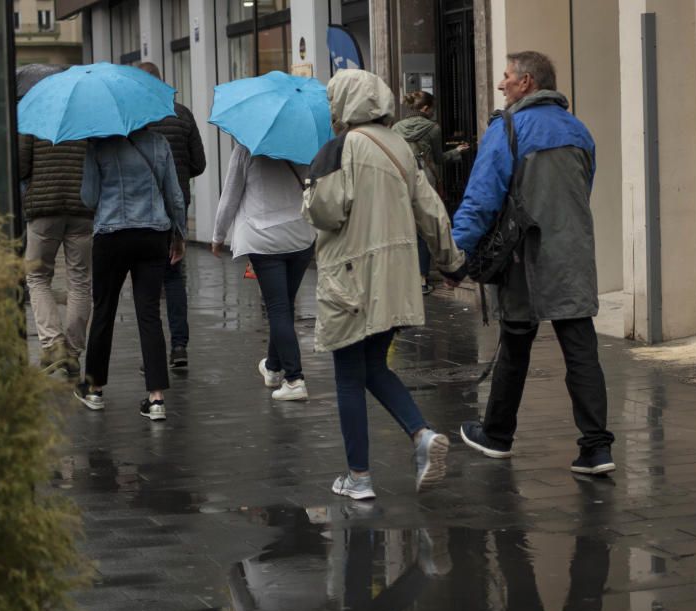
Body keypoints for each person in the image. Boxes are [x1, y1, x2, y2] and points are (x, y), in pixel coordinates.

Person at [448, 51, 617, 475]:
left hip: (525, 256)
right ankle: (597, 448)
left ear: (526, 82)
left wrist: (455, 255)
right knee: (581, 351)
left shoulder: (508, 129)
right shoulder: (579, 130)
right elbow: (584, 189)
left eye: (506, 77)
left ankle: (498, 435)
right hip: (573, 254)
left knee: (515, 345)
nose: (501, 84)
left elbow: (482, 198)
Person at [302, 69, 465, 500]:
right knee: (374, 365)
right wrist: (452, 261)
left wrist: (309, 186)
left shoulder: (343, 148)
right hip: (395, 278)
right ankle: (421, 435)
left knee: (348, 376)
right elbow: (431, 210)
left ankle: (358, 477)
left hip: (351, 280)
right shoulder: (400, 146)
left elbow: (326, 213)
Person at [75, 128, 186, 421]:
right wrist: (179, 234)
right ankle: (157, 397)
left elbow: (89, 197)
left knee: (104, 310)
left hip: (111, 235)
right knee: (149, 313)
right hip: (153, 234)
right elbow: (174, 195)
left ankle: (95, 389)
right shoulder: (160, 142)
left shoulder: (97, 144)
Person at [211, 142, 315, 401]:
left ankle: (294, 379)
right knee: (284, 305)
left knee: (278, 307)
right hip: (300, 236)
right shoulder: (303, 145)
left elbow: (231, 195)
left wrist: (218, 234)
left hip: (263, 237)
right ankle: (273, 367)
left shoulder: (246, 148)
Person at [137, 62, 206, 370]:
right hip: (177, 203)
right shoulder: (183, 114)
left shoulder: (136, 119)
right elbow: (200, 163)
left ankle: (153, 352)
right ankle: (179, 346)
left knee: (147, 280)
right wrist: (179, 176)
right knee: (174, 275)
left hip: (144, 207)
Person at [18, 129, 93, 376]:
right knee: (80, 280)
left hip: (43, 209)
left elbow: (20, 167)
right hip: (82, 207)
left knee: (37, 276)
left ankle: (54, 344)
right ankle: (72, 353)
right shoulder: (88, 116)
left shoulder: (37, 116)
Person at [392, 90, 469, 296]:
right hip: (425, 180)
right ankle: (422, 278)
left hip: (401, 180)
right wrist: (457, 152)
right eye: (432, 107)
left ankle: (404, 277)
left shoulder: (396, 127)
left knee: (404, 228)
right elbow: (437, 159)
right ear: (425, 109)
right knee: (426, 228)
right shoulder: (433, 128)